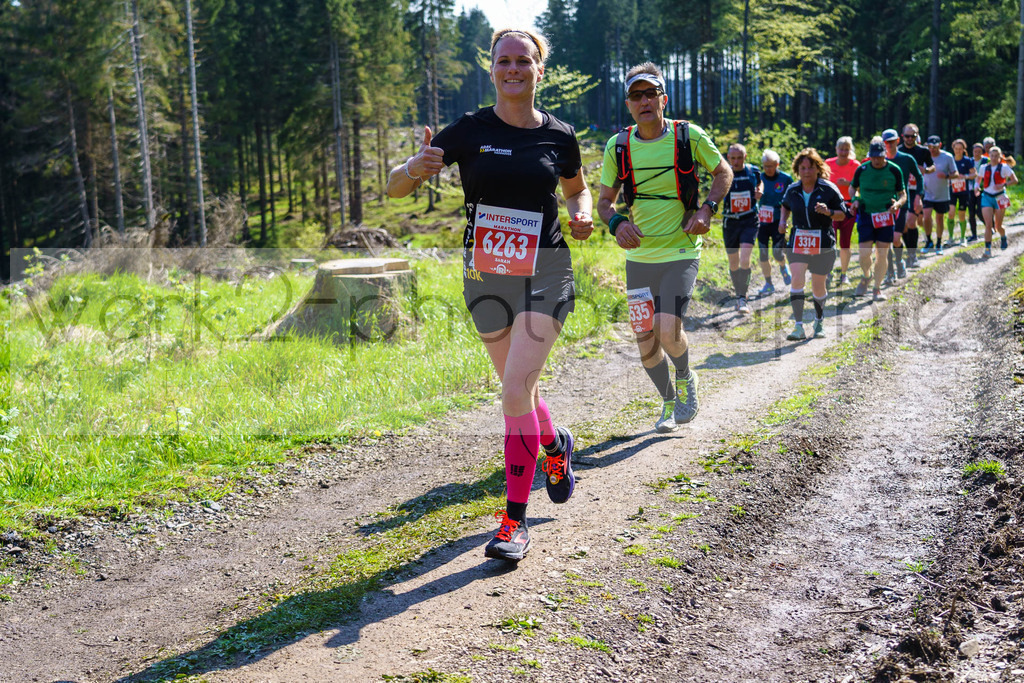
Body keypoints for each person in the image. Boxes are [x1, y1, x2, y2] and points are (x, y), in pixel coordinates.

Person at [387, 27, 594, 562]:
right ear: (493, 68)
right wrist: (415, 167)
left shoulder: (559, 134)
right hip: (486, 277)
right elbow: (394, 188)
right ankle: (555, 446)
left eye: (523, 61)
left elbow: (576, 187)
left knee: (512, 392)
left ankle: (513, 522)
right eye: (504, 61)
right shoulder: (470, 129)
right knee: (516, 388)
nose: (513, 69)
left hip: (547, 272)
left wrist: (582, 212)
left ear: (538, 69)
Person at [598, 62, 730, 433]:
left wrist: (707, 209)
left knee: (667, 328)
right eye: (635, 95)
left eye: (650, 93)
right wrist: (616, 222)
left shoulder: (689, 136)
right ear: (628, 104)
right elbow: (604, 201)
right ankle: (669, 403)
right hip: (639, 258)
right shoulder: (618, 146)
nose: (643, 101)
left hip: (681, 252)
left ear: (663, 99)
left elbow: (723, 172)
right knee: (645, 338)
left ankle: (688, 377)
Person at [779, 148, 849, 340]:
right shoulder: (793, 190)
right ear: (797, 170)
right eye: (802, 168)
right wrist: (782, 221)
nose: (806, 172)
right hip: (799, 240)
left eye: (810, 168)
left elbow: (843, 213)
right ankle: (798, 326)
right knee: (797, 279)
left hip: (823, 241)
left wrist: (828, 212)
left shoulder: (828, 189)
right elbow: (784, 206)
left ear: (818, 169)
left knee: (818, 286)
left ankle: (819, 322)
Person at [850, 138, 906, 301]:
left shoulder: (894, 170)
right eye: (874, 157)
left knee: (882, 254)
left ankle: (877, 288)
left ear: (885, 155)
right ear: (870, 156)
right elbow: (853, 187)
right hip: (867, 214)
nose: (877, 160)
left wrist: (898, 205)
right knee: (864, 254)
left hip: (885, 216)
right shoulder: (862, 170)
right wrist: (854, 199)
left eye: (880, 157)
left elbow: (902, 194)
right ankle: (867, 276)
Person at [721, 143, 763, 312]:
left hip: (749, 220)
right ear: (728, 158)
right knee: (733, 263)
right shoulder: (723, 173)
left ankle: (742, 297)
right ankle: (739, 292)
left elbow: (760, 183)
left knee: (745, 259)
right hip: (730, 222)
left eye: (739, 158)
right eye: (733, 158)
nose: (736, 161)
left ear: (745, 157)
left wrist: (759, 190)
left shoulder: (753, 171)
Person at [881, 128, 922, 279]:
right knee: (885, 241)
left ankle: (899, 261)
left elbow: (919, 177)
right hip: (882, 206)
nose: (889, 145)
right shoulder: (878, 160)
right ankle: (890, 272)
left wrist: (919, 196)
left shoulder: (906, 159)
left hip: (902, 203)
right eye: (886, 142)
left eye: (892, 142)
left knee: (896, 238)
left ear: (898, 141)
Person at [756, 150, 793, 296]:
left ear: (777, 164)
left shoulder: (785, 179)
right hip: (762, 222)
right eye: (765, 166)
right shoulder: (758, 178)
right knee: (763, 254)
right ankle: (769, 283)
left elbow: (791, 199)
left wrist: (786, 219)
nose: (768, 169)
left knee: (777, 253)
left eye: (771, 166)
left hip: (778, 220)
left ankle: (783, 267)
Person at [825, 137, 859, 285]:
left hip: (849, 207)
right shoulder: (828, 164)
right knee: (830, 242)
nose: (844, 152)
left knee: (845, 243)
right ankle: (828, 272)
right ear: (836, 149)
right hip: (831, 208)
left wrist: (849, 183)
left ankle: (844, 274)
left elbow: (860, 187)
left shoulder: (855, 165)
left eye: (846, 149)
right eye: (841, 149)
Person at [918, 135, 959, 256]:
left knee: (940, 219)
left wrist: (946, 176)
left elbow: (956, 173)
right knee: (926, 216)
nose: (932, 149)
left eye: (935, 147)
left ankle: (939, 242)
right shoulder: (923, 156)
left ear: (940, 145)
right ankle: (929, 240)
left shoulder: (947, 157)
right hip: (927, 192)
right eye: (930, 147)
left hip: (942, 193)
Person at [975, 145, 1019, 257]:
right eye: (992, 155)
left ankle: (1003, 236)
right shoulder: (984, 167)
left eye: (996, 156)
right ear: (989, 156)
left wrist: (1004, 184)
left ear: (1000, 157)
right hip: (987, 196)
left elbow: (1015, 180)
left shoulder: (1004, 167)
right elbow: (978, 178)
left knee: (998, 226)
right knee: (988, 224)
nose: (994, 158)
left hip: (1000, 197)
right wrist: (976, 187)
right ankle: (987, 249)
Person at [898, 123, 933, 260]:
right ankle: (910, 250)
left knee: (912, 221)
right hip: (901, 191)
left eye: (913, 136)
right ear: (902, 136)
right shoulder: (898, 151)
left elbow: (932, 166)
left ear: (917, 136)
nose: (910, 139)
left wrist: (927, 170)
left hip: (916, 190)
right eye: (907, 136)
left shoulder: (923, 151)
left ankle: (912, 254)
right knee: (905, 226)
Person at [948, 139, 975, 245]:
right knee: (951, 213)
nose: (958, 151)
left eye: (960, 149)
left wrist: (965, 176)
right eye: (956, 149)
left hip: (963, 191)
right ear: (953, 149)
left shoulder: (967, 161)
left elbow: (974, 174)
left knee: (962, 215)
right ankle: (950, 238)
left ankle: (963, 238)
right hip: (952, 190)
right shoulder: (950, 160)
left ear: (963, 150)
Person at [967, 142, 988, 242]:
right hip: (970, 189)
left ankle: (989, 226)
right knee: (971, 212)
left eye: (979, 151)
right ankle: (974, 234)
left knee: (980, 211)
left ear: (982, 152)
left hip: (983, 189)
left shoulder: (985, 160)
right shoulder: (969, 161)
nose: (977, 153)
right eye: (975, 151)